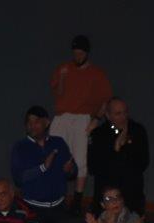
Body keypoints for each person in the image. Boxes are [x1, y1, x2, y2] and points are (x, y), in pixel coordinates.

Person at [49, 35, 113, 209]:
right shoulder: (64, 68)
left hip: (82, 118)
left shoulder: (97, 73)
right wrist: (62, 78)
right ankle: (56, 197)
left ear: (86, 53)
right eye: (75, 53)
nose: (77, 57)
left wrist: (96, 119)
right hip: (62, 117)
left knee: (80, 159)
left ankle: (77, 201)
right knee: (54, 155)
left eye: (81, 53)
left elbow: (106, 99)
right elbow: (58, 93)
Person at [10, 106, 74, 223]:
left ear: (46, 122)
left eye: (36, 121)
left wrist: (69, 170)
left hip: (59, 208)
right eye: (29, 122)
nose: (32, 125)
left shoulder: (58, 143)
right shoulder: (20, 147)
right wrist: (43, 167)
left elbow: (72, 172)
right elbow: (18, 178)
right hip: (33, 210)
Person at [88, 98, 149, 215]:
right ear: (108, 115)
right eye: (118, 114)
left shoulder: (137, 130)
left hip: (131, 195)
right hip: (107, 197)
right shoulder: (99, 134)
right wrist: (115, 149)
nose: (123, 117)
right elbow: (93, 167)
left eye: (125, 112)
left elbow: (143, 162)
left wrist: (124, 148)